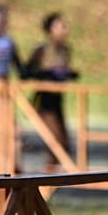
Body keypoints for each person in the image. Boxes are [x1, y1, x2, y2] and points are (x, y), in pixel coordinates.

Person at [26, 12, 79, 171]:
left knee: (63, 144)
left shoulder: (66, 50)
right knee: (57, 142)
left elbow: (64, 72)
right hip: (44, 100)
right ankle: (46, 179)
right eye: (60, 26)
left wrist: (69, 74)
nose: (64, 29)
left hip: (58, 100)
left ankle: (49, 181)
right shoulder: (42, 50)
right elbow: (27, 71)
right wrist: (47, 73)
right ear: (50, 29)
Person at [0, 4, 26, 139]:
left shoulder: (8, 41)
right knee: (12, 128)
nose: (1, 23)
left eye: (4, 20)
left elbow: (18, 65)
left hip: (3, 86)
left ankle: (13, 158)